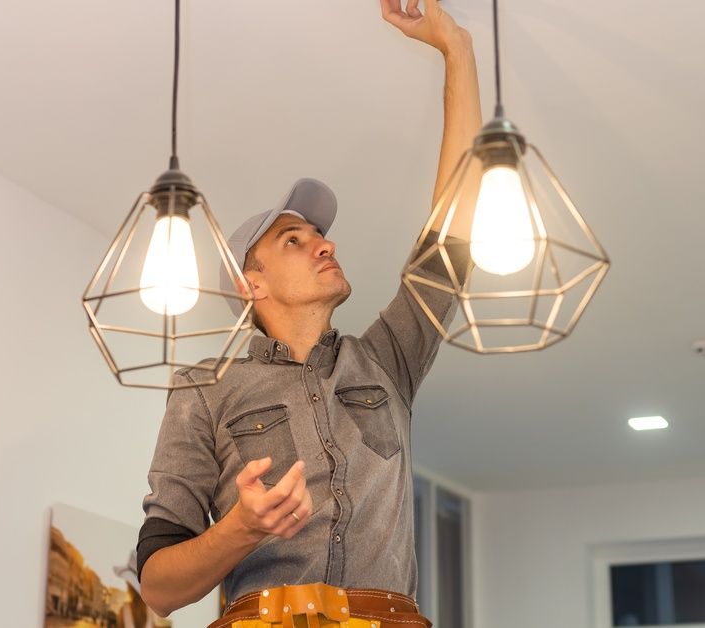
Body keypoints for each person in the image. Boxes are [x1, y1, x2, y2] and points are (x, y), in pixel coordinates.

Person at [136, 1, 481, 626]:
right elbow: (158, 589)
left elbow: (453, 237)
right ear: (251, 284)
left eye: (320, 236)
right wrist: (241, 528)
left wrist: (457, 48)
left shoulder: (386, 361)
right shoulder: (203, 391)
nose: (325, 244)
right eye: (292, 240)